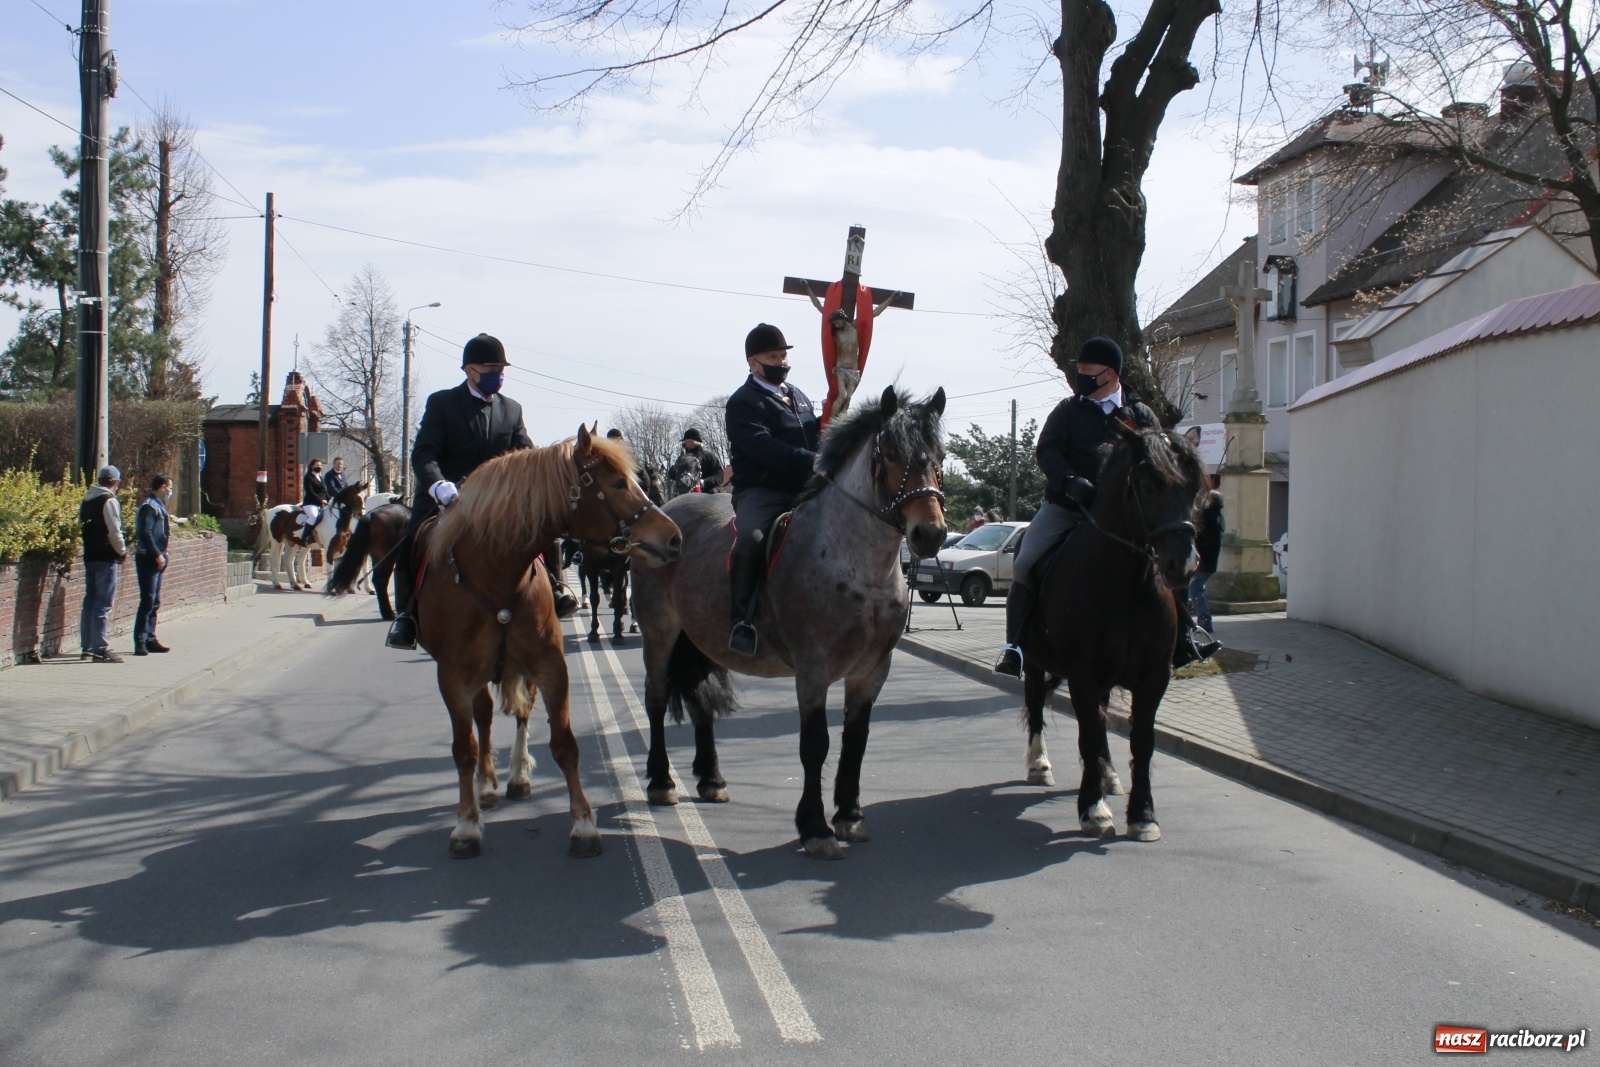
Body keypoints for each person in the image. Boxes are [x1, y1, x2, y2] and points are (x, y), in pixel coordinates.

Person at [992, 336, 1220, 677]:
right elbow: (1047, 451)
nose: (1080, 376)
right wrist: (1068, 481)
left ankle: (1185, 636)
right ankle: (1015, 648)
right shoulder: (1067, 410)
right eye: (1080, 370)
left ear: (1110, 374)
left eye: (1088, 370)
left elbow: (1160, 463)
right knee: (1025, 561)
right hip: (1068, 506)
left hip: (1127, 515)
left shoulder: (1140, 414)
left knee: (1174, 555)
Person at [387, 333, 577, 649]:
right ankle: (406, 616)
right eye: (491, 369)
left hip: (498, 502)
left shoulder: (511, 409)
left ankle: (556, 588)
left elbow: (525, 455)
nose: (498, 376)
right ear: (470, 370)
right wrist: (438, 484)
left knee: (546, 531)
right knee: (411, 540)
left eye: (500, 370)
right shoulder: (442, 403)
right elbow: (423, 453)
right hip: (449, 498)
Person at [724, 323, 820, 656]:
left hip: (806, 486)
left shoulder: (798, 395)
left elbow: (813, 434)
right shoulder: (743, 402)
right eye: (772, 357)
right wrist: (809, 460)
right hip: (762, 491)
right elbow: (761, 446)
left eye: (782, 356)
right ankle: (741, 620)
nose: (781, 362)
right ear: (753, 363)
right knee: (751, 537)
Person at [79, 465, 127, 664]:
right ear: (116, 482)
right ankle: (100, 649)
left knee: (90, 602)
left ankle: (87, 647)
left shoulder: (86, 500)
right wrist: (122, 551)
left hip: (90, 555)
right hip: (106, 557)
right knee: (103, 604)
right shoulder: (109, 500)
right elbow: (114, 531)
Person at [134, 474, 173, 656]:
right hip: (148, 557)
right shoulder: (149, 506)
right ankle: (140, 640)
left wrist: (164, 552)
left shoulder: (160, 505)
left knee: (155, 601)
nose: (170, 491)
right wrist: (157, 554)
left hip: (159, 556)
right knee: (148, 600)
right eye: (169, 487)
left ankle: (150, 637)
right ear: (162, 486)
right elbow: (145, 532)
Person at [1190, 489, 1224, 631]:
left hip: (1203, 560)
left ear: (1211, 501)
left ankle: (1204, 621)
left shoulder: (1207, 515)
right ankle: (1201, 619)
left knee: (1196, 589)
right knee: (1198, 587)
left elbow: (1196, 526)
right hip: (1210, 561)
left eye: (1207, 498)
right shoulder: (1218, 516)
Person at [607, 428, 664, 504]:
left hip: (636, 493)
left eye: (615, 440)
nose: (614, 443)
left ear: (621, 440)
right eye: (611, 441)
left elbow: (645, 478)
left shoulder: (629, 456)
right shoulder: (609, 458)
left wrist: (643, 498)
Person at [681, 428, 725, 492]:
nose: (687, 444)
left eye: (689, 442)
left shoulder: (709, 457)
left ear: (696, 442)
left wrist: (704, 482)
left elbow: (719, 476)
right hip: (686, 492)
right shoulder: (683, 459)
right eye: (685, 442)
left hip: (708, 492)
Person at [297, 459, 328, 545]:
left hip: (322, 503)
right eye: (317, 465)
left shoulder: (321, 478)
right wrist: (320, 500)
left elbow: (324, 491)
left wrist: (330, 499)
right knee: (314, 516)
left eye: (320, 465)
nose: (319, 467)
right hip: (310, 503)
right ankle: (305, 536)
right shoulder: (308, 477)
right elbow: (310, 491)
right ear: (312, 466)